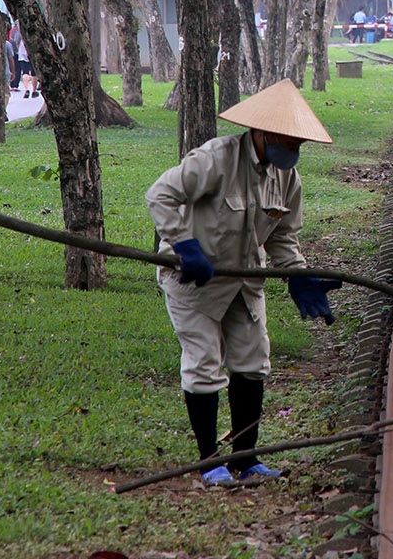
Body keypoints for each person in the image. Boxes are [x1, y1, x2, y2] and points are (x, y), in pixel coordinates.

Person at [145, 79, 342, 487]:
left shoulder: (287, 179)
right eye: (289, 141)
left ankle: (246, 458)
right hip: (194, 281)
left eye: (299, 144)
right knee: (203, 365)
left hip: (245, 282)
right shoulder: (215, 159)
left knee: (253, 364)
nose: (294, 151)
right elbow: (160, 195)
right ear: (264, 132)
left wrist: (299, 277)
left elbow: (283, 236)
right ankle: (209, 462)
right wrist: (185, 245)